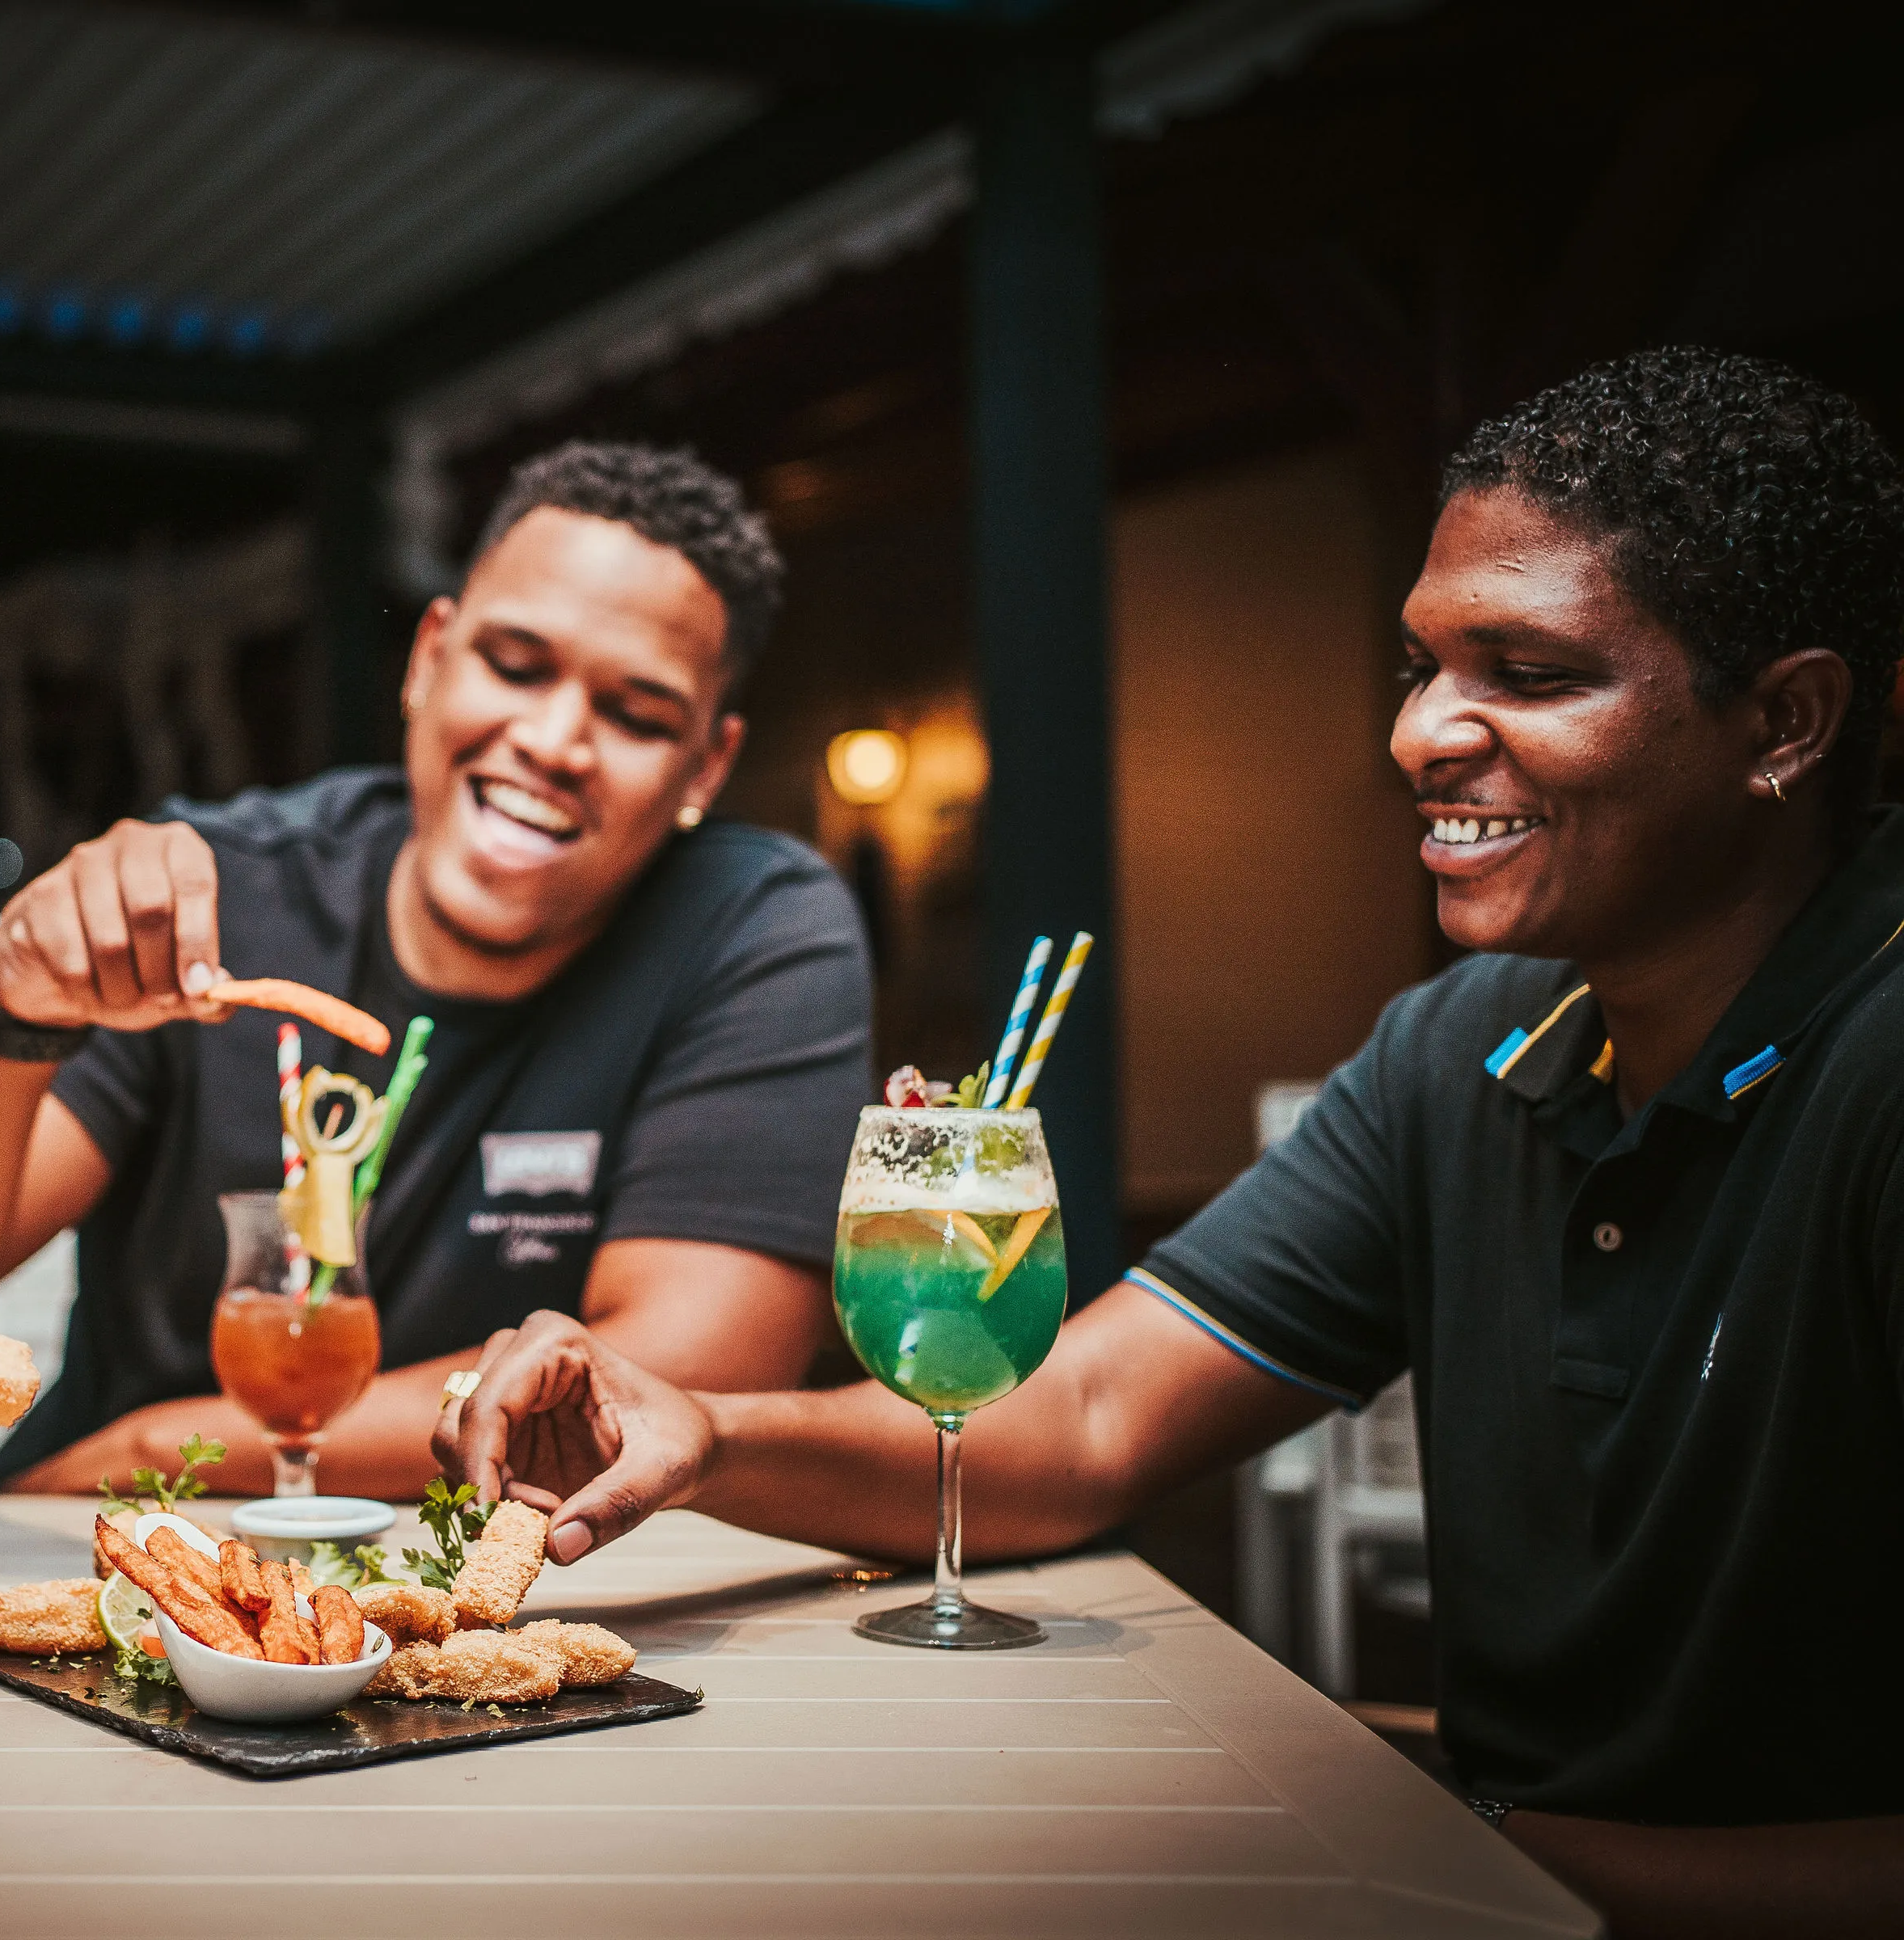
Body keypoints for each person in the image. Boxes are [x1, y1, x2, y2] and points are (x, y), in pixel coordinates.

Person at [437, 351, 1904, 1936]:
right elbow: (1085, 1417)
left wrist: (1429, 1856)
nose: (1419, 737)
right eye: (1419, 667)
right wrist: (709, 1436)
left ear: (1788, 724)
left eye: (1528, 675)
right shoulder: (1465, 1046)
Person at [0, 443, 873, 1495]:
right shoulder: (221, 896)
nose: (554, 739)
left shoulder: (753, 928)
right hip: (95, 1552)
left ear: (705, 765)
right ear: (429, 659)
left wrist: (162, 1451)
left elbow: (688, 1363)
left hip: (429, 1559)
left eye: (636, 715)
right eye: (516, 666)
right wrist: (5, 1000)